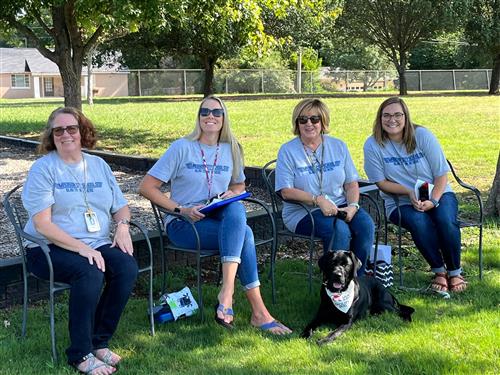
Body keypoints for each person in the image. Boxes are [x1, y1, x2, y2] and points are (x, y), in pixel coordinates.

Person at [139, 95, 292, 335]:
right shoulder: (182, 147)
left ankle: (229, 292)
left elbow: (239, 186)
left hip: (217, 217)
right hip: (184, 223)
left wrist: (232, 192)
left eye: (216, 112)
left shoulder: (231, 149)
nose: (210, 116)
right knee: (246, 234)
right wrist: (182, 209)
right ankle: (256, 311)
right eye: (205, 112)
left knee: (235, 207)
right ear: (199, 117)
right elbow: (146, 186)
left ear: (224, 118)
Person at [22, 107, 138, 375]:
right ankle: (80, 353)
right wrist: (83, 248)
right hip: (46, 247)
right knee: (89, 272)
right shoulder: (44, 169)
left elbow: (121, 207)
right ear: (51, 136)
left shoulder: (98, 165)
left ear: (82, 131)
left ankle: (99, 341)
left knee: (127, 267)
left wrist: (122, 226)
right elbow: (42, 224)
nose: (65, 134)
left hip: (93, 242)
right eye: (58, 130)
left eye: (71, 128)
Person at [363, 96, 466, 293]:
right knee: (419, 221)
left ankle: (455, 272)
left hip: (438, 192)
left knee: (445, 219)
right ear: (380, 118)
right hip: (398, 201)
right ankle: (439, 271)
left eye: (397, 115)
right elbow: (381, 183)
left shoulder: (423, 136)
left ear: (406, 117)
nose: (392, 120)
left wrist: (434, 200)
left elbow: (440, 174)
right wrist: (409, 191)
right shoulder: (373, 145)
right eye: (386, 115)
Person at [275, 98, 375, 275]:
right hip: (303, 212)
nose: (309, 124)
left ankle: (356, 282)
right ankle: (334, 284)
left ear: (323, 121)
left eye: (314, 119)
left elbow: (351, 184)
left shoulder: (338, 146)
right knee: (340, 230)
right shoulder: (288, 150)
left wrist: (353, 206)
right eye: (302, 119)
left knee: (366, 225)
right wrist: (317, 200)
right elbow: (285, 191)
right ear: (297, 123)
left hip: (340, 205)